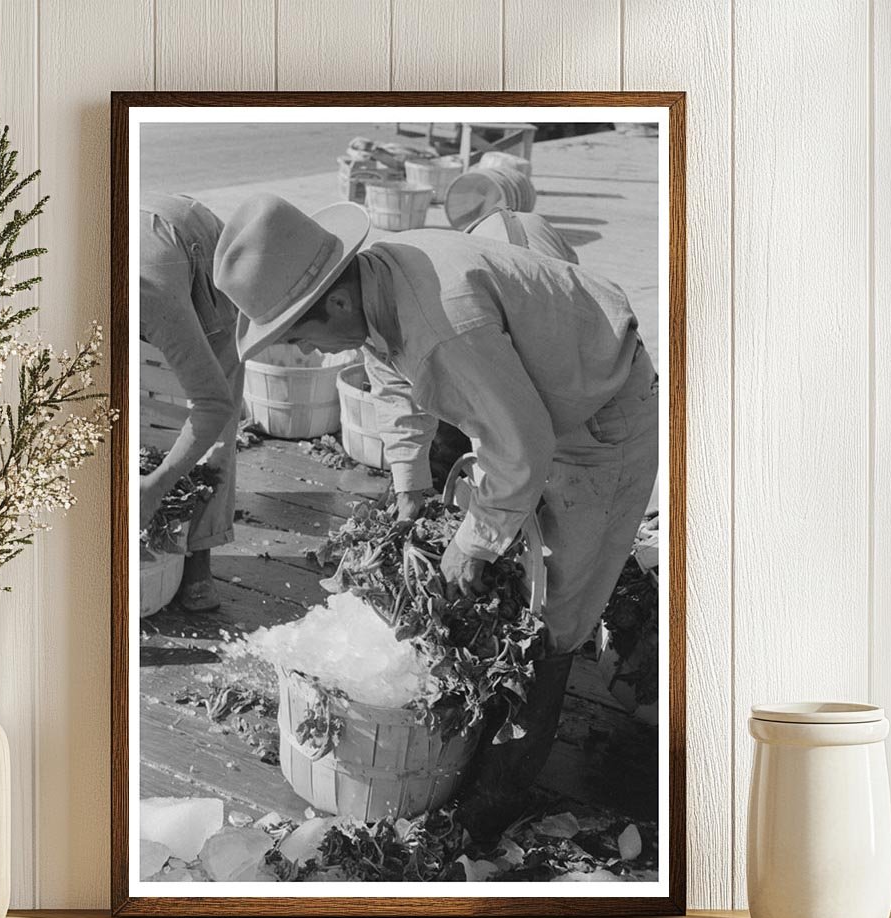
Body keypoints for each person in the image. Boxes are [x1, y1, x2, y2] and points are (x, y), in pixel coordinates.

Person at [213, 194, 658, 840]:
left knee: (553, 617)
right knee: (511, 562)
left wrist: (474, 543)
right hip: (537, 397)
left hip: (601, 418)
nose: (308, 353)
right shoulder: (378, 283)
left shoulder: (442, 328)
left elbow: (522, 447)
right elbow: (392, 380)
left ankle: (496, 798)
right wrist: (410, 485)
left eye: (301, 337)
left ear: (334, 303)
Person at [140, 194, 243, 611]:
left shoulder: (152, 295)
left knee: (215, 414)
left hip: (204, 258)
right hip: (150, 241)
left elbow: (213, 404)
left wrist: (157, 485)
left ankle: (200, 551)